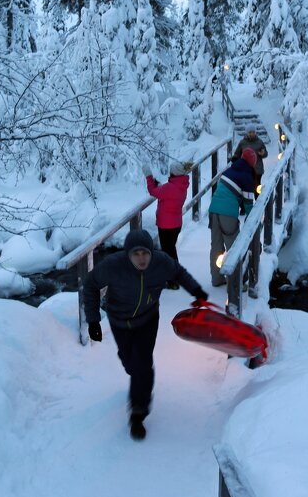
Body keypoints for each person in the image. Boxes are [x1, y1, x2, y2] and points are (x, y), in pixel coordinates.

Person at [83, 228, 207, 441]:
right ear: (128, 254)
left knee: (143, 365)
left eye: (145, 253)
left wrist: (196, 291)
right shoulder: (113, 266)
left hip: (147, 319)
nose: (141, 259)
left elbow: (178, 272)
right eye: (136, 254)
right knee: (130, 362)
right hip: (119, 320)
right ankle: (131, 365)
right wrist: (93, 320)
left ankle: (138, 413)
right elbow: (90, 285)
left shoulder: (161, 262)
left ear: (151, 252)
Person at [208, 147, 257, 305]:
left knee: (216, 245)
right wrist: (252, 221)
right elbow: (249, 204)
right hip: (228, 213)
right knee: (235, 247)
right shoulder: (247, 176)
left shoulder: (230, 170)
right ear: (252, 163)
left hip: (213, 209)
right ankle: (238, 282)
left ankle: (216, 278)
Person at [144, 161, 191, 264]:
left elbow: (153, 191)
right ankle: (173, 275)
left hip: (166, 226)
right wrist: (158, 184)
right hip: (176, 224)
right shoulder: (181, 185)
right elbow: (165, 192)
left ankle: (173, 276)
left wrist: (148, 176)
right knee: (170, 250)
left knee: (168, 253)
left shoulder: (169, 187)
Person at [232, 124, 268, 198]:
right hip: (246, 170)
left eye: (253, 132)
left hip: (257, 169)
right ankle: (247, 206)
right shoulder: (242, 142)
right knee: (247, 189)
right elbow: (237, 154)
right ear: (247, 133)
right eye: (250, 132)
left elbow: (265, 153)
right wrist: (234, 160)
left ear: (255, 132)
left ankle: (259, 205)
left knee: (257, 188)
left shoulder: (260, 142)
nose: (252, 134)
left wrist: (263, 153)